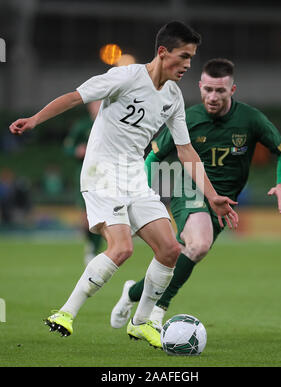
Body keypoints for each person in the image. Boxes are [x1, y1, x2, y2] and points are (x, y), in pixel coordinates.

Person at [9, 23, 238, 349]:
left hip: (133, 177)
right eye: (184, 56)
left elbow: (186, 151)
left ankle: (141, 323)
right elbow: (76, 97)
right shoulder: (126, 77)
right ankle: (65, 313)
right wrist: (34, 120)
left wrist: (212, 196)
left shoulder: (172, 96)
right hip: (102, 173)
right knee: (122, 248)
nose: (188, 64)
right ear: (163, 52)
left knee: (171, 249)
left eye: (192, 57)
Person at [110, 58, 281, 331]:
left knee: (189, 252)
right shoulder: (187, 117)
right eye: (208, 89)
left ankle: (132, 293)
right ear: (200, 87)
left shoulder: (251, 119)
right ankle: (158, 310)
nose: (213, 96)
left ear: (232, 90)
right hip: (188, 189)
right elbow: (152, 157)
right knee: (198, 245)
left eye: (220, 90)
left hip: (224, 201)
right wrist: (142, 191)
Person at [64, 101, 104, 266]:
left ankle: (95, 251)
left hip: (106, 177)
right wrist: (77, 151)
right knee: (86, 219)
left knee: (101, 216)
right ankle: (91, 245)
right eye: (96, 103)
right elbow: (67, 147)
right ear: (90, 106)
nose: (99, 105)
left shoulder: (111, 124)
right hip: (85, 177)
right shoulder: (82, 126)